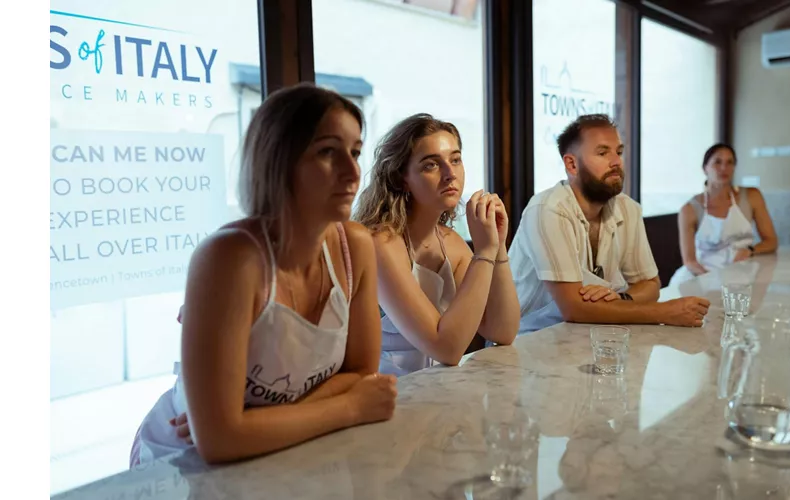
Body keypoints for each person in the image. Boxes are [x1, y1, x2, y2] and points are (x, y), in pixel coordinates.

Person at [129, 84, 397, 466]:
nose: (353, 171)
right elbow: (219, 442)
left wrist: (256, 422)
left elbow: (361, 370)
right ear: (278, 160)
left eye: (355, 152)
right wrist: (349, 407)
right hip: (184, 464)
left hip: (291, 448)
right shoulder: (230, 258)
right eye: (327, 152)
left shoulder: (355, 246)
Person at [508, 114, 709, 334]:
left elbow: (651, 285)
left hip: (591, 333)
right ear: (572, 164)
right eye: (603, 153)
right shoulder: (548, 209)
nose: (616, 162)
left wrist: (620, 298)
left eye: (619, 152)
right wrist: (664, 312)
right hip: (527, 341)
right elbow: (574, 308)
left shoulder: (628, 208)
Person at [353, 113, 520, 376]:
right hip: (387, 395)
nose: (450, 174)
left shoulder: (450, 242)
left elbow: (502, 330)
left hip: (437, 391)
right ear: (401, 178)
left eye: (455, 159)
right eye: (431, 165)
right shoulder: (380, 243)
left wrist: (497, 246)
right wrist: (484, 252)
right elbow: (446, 349)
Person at [668, 143, 778, 286]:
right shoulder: (689, 209)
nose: (723, 168)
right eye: (717, 162)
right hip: (702, 274)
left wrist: (750, 250)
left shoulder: (752, 196)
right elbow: (690, 262)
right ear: (705, 168)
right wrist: (711, 280)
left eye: (729, 162)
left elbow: (771, 241)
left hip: (742, 272)